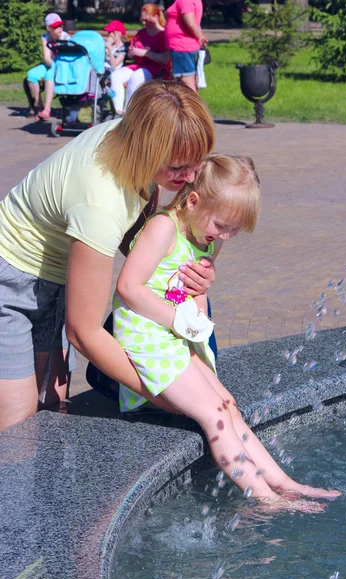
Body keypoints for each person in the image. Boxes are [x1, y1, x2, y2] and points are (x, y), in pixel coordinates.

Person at [113, 154, 342, 511]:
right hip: (147, 335)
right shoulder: (164, 228)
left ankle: (285, 483)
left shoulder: (206, 236)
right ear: (193, 201)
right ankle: (265, 498)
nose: (226, 236)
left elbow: (190, 293)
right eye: (223, 226)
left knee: (228, 406)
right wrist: (179, 322)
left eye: (235, 230)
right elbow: (128, 286)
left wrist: (197, 316)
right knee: (213, 415)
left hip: (173, 334)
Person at [0, 80, 215, 432]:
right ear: (146, 149)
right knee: (17, 426)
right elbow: (83, 333)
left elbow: (138, 237)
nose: (190, 178)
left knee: (53, 403)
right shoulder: (100, 201)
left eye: (196, 164)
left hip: (57, 273)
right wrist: (171, 396)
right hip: (9, 280)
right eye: (178, 168)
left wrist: (192, 273)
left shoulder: (132, 132)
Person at [110, 4, 171, 116]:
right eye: (142, 20)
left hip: (157, 68)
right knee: (115, 76)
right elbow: (132, 53)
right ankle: (117, 111)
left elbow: (165, 59)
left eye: (146, 20)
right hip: (139, 65)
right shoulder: (141, 33)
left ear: (156, 16)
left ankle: (129, 113)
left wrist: (145, 53)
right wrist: (132, 52)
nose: (143, 23)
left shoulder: (163, 34)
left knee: (136, 76)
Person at [26, 13, 71, 119]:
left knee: (49, 74)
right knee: (31, 74)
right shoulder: (45, 37)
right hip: (50, 64)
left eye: (60, 25)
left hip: (62, 67)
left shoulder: (66, 38)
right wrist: (52, 64)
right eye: (56, 27)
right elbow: (46, 57)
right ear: (48, 28)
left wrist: (54, 66)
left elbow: (67, 60)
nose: (59, 29)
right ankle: (39, 105)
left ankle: (47, 109)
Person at [165, 0, 207, 91]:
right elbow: (195, 24)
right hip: (183, 47)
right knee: (187, 82)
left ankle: (193, 105)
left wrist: (200, 37)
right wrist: (200, 37)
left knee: (186, 82)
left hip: (182, 47)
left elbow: (191, 23)